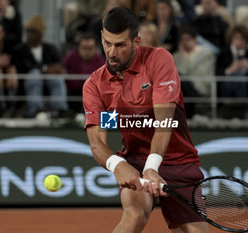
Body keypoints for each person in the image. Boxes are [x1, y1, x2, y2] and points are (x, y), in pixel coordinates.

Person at [83, 7, 208, 233]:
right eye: (107, 43)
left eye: (120, 45)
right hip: (135, 160)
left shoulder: (157, 60)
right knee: (134, 216)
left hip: (178, 159)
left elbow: (164, 122)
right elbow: (97, 143)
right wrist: (118, 165)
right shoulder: (96, 85)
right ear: (101, 37)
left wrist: (152, 167)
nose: (111, 52)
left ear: (136, 41)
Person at [13, 15, 68, 118]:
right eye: (28, 31)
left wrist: (56, 70)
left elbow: (57, 66)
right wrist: (45, 68)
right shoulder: (19, 50)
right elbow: (22, 68)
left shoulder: (50, 49)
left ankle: (59, 109)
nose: (29, 34)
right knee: (34, 74)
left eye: (33, 31)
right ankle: (35, 110)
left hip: (48, 83)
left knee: (57, 78)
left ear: (41, 33)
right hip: (26, 83)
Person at [173, 26, 215, 117]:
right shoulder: (176, 57)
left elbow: (200, 74)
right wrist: (184, 56)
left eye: (188, 39)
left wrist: (185, 58)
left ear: (195, 40)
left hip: (199, 87)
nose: (185, 42)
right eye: (183, 40)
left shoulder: (206, 55)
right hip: (182, 91)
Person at [63, 33, 105, 113]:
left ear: (96, 48)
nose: (87, 52)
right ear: (78, 48)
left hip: (94, 95)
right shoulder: (70, 59)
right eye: (84, 48)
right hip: (73, 94)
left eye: (90, 48)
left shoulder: (101, 61)